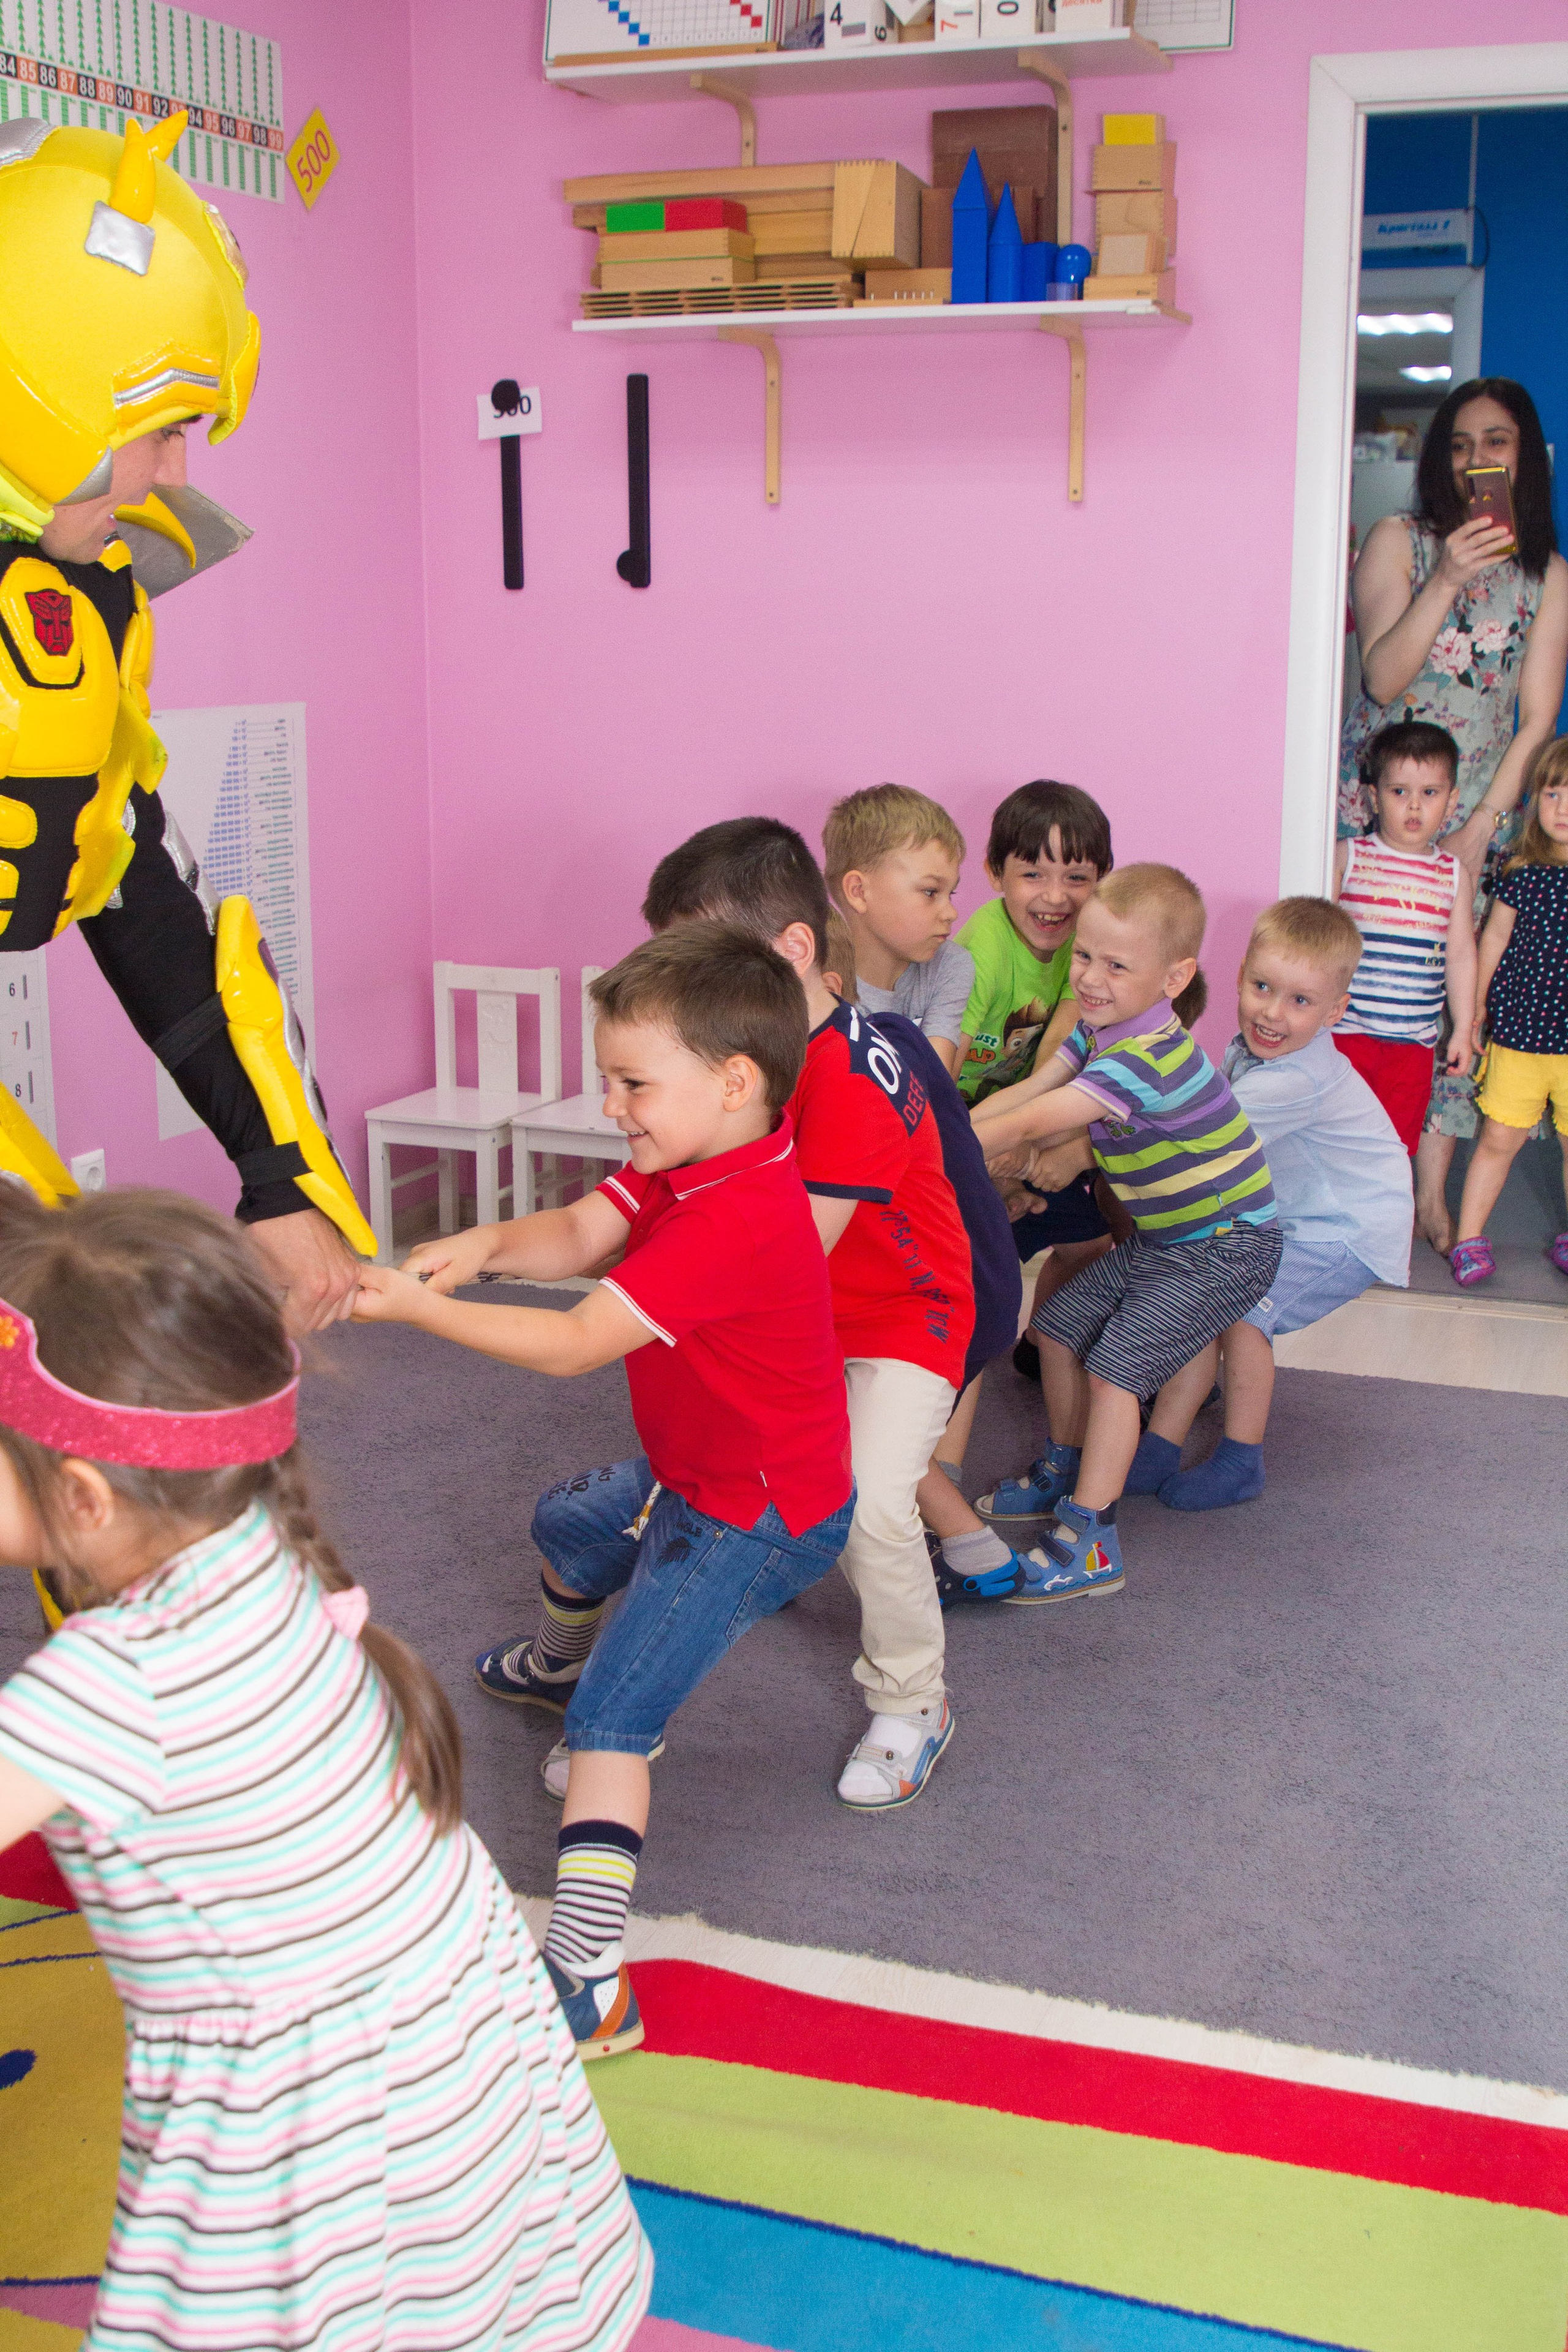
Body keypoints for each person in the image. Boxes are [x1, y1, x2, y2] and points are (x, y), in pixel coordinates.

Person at [0, 1188, 650, 2352]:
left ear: (83, 1495)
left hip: (298, 2122)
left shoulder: (108, 1684)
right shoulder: (259, 1536)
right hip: (450, 2039)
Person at [355, 927, 855, 2043]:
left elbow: (581, 1341)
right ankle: (552, 1659)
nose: (614, 1106)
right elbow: (584, 1232)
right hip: (691, 1473)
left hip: (756, 1516)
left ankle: (590, 1985)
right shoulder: (681, 1164)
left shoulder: (738, 1214)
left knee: (614, 1724)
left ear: (734, 1083)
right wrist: (484, 1244)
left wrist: (424, 1311)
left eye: (634, 1082)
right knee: (568, 1525)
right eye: (610, 1080)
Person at [0, 113, 369, 1332]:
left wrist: (280, 1171)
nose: (168, 476)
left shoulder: (79, 600)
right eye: (157, 429)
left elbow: (132, 881)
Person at [641, 821, 979, 1811]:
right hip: (812, 1314)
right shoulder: (757, 1048)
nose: (686, 988)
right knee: (700, 1487)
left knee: (873, 1500)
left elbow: (788, 1254)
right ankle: (624, 1701)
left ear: (793, 949)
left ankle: (915, 1702)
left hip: (905, 1319)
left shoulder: (851, 1077)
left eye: (705, 964)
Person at [972, 866, 1282, 1594]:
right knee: (1055, 1327)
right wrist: (948, 1127)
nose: (1090, 977)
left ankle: (1091, 1537)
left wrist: (922, 1147)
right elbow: (1031, 1088)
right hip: (1169, 1241)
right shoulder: (1097, 1028)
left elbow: (1033, 1122)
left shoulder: (1146, 1059)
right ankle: (1066, 1463)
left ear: (1174, 977)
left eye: (1116, 965)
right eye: (1084, 955)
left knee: (1116, 1368)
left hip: (1228, 1246)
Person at [1339, 377, 1568, 1252]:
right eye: (1463, 443)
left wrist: (1482, 828)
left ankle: (1426, 1192)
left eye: (1498, 442)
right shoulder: (1399, 540)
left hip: (1478, 815)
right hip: (1377, 808)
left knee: (1452, 1008)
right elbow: (1381, 679)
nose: (1479, 460)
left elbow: (1538, 715)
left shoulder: (1548, 576)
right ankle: (1352, 1170)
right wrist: (1445, 579)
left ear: (1526, 456)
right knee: (1360, 989)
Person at [1129, 899, 1412, 1508]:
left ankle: (1240, 1460)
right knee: (1209, 1292)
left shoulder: (1293, 1078)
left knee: (1242, 1310)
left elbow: (1202, 1144)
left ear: (1335, 1011)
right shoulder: (1249, 1049)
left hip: (1348, 1229)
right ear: (1241, 976)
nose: (1272, 1013)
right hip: (1297, 1217)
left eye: (1300, 1001)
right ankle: (1159, 1445)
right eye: (1262, 987)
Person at [821, 913, 1031, 1608]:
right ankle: (977, 1552)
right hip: (982, 1275)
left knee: (847, 1424)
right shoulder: (901, 1041)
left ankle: (965, 1558)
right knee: (869, 1432)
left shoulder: (831, 1086)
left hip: (935, 1292)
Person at [1450, 741, 1568, 1286]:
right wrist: (1474, 1005)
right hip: (1520, 1039)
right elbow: (1492, 940)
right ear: (1536, 800)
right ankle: (1469, 1238)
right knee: (1498, 1139)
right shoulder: (1521, 870)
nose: (1562, 807)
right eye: (1552, 793)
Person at [1332, 720, 1477, 1155]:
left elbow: (1462, 957)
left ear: (1451, 801)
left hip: (1412, 1045)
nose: (1414, 806)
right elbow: (1317, 943)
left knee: (1393, 1150)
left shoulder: (1453, 875)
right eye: (1399, 792)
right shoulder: (1349, 857)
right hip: (1345, 1034)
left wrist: (1463, 1029)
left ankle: (1388, 1222)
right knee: (1336, 1139)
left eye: (1430, 793)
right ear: (1374, 796)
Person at [823, 785, 973, 1075]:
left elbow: (934, 1090)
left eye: (951, 894)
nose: (951, 913)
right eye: (930, 892)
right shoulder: (817, 983)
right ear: (859, 892)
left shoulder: (951, 966)